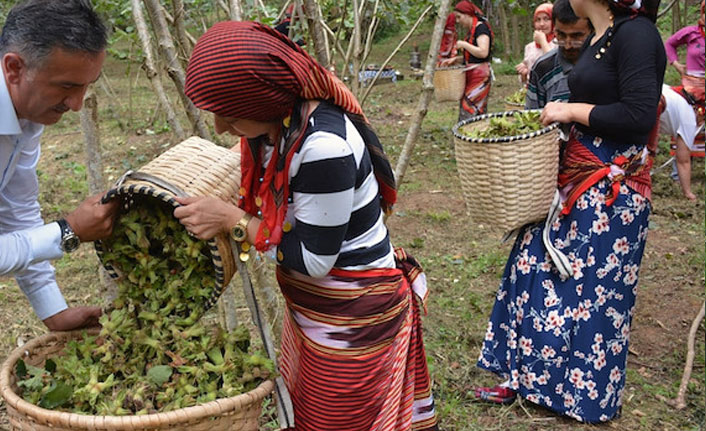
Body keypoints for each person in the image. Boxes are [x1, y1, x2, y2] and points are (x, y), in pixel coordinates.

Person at [176, 21, 438, 431]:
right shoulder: (281, 123)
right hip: (317, 314)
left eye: (229, 114)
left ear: (263, 100)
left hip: (352, 320)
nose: (222, 127)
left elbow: (314, 260)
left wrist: (233, 221)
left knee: (340, 420)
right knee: (311, 413)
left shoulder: (322, 148)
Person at [475, 0, 665, 423]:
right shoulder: (604, 34)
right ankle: (529, 378)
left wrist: (570, 110)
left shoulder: (637, 34)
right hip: (578, 173)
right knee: (533, 267)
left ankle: (582, 396)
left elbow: (637, 113)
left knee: (594, 296)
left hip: (611, 187)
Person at [0, 0, 117, 331]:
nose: (77, 104)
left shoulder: (26, 115)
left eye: (86, 86)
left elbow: (16, 211)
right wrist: (68, 231)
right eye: (67, 86)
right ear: (14, 68)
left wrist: (54, 310)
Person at [661, 0, 704, 200]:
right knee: (687, 122)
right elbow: (670, 44)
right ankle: (678, 174)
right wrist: (676, 64)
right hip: (690, 87)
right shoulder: (691, 32)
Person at [525, 0, 592, 109]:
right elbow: (532, 117)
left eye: (576, 36)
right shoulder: (542, 68)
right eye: (561, 35)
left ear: (592, 30)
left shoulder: (607, 63)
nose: (567, 45)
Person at [439, 1, 493, 120]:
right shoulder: (472, 31)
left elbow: (483, 52)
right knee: (469, 108)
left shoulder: (481, 28)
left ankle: (472, 133)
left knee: (472, 109)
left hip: (480, 77)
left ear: (468, 14)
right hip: (472, 75)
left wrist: (464, 44)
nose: (458, 21)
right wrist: (456, 60)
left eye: (459, 17)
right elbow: (474, 56)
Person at [516, 3, 557, 84]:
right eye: (538, 20)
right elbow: (525, 81)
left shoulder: (558, 43)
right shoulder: (529, 47)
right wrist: (523, 74)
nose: (541, 24)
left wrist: (543, 42)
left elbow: (553, 64)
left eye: (546, 19)